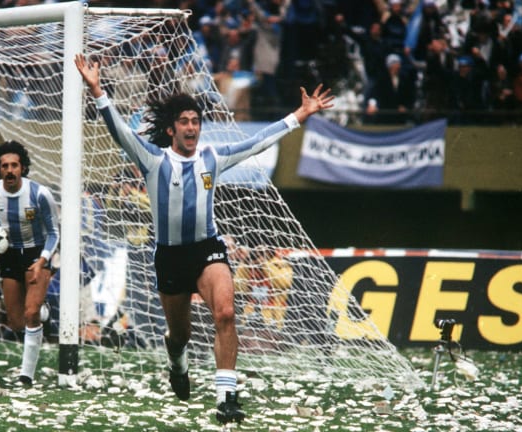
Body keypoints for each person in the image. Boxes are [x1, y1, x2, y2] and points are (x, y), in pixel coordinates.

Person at [75, 53, 333, 425]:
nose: (192, 127)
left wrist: (299, 116)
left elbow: (258, 142)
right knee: (179, 335)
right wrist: (98, 90)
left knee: (225, 314)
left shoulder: (212, 158)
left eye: (196, 121)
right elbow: (119, 131)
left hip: (207, 249)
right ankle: (177, 365)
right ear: (171, 130)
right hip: (169, 256)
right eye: (185, 122)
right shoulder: (152, 160)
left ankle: (227, 398)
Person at [0, 140, 60, 387]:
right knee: (15, 321)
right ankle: (43, 313)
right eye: (4, 166)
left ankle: (26, 377)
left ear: (22, 168)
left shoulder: (39, 194)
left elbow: (54, 232)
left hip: (37, 254)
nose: (10, 170)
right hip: (9, 254)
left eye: (14, 165)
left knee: (31, 312)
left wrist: (43, 260)